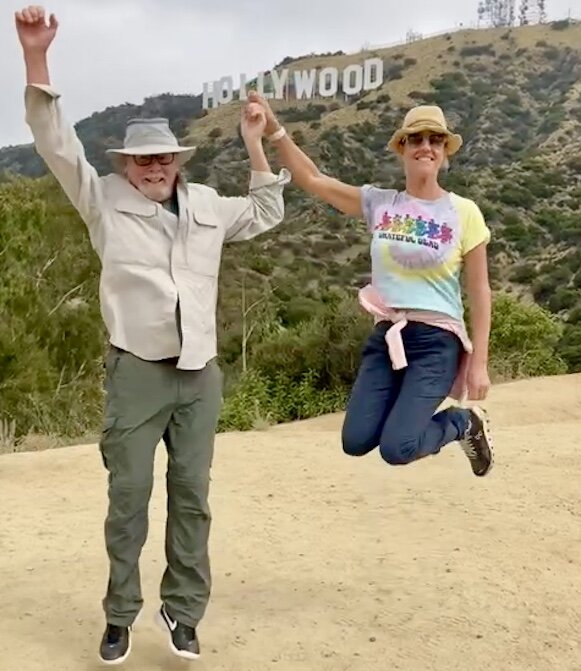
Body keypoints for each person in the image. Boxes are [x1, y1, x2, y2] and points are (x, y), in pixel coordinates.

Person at [16, 6, 290, 666]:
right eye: (142, 158)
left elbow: (265, 210)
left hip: (201, 375)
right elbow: (55, 141)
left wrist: (256, 141)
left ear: (177, 159)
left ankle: (183, 610)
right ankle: (119, 615)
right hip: (136, 372)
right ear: (126, 162)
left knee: (193, 497)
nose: (154, 166)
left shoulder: (204, 206)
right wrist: (36, 57)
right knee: (129, 499)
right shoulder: (102, 198)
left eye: (163, 156)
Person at [249, 90, 494, 477]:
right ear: (402, 148)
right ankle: (414, 416)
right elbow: (313, 179)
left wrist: (478, 362)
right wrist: (275, 129)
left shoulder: (464, 213)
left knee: (398, 448)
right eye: (415, 139)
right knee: (356, 440)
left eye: (435, 140)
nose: (425, 146)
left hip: (436, 343)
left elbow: (480, 292)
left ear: (445, 151)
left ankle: (463, 424)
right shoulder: (381, 204)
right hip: (387, 337)